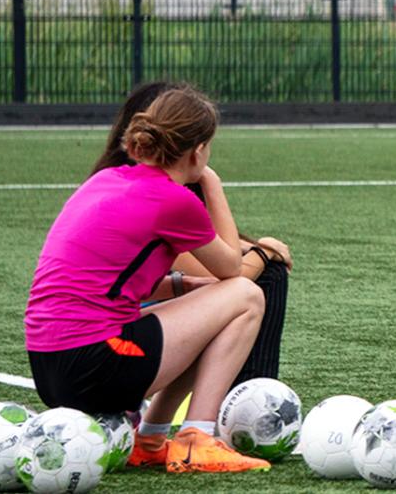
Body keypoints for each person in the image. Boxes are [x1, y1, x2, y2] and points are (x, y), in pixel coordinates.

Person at [24, 86, 270, 474]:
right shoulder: (174, 199)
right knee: (245, 296)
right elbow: (231, 269)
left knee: (212, 311)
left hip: (49, 367)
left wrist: (183, 288)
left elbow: (105, 282)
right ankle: (196, 439)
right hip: (95, 364)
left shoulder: (104, 180)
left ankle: (151, 439)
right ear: (199, 149)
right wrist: (211, 183)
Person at [93, 81, 293, 391]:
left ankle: (204, 414)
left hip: (76, 347)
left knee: (252, 272)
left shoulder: (111, 181)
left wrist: (252, 248)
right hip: (111, 348)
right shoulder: (161, 197)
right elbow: (228, 274)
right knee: (259, 281)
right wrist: (264, 251)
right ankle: (238, 407)